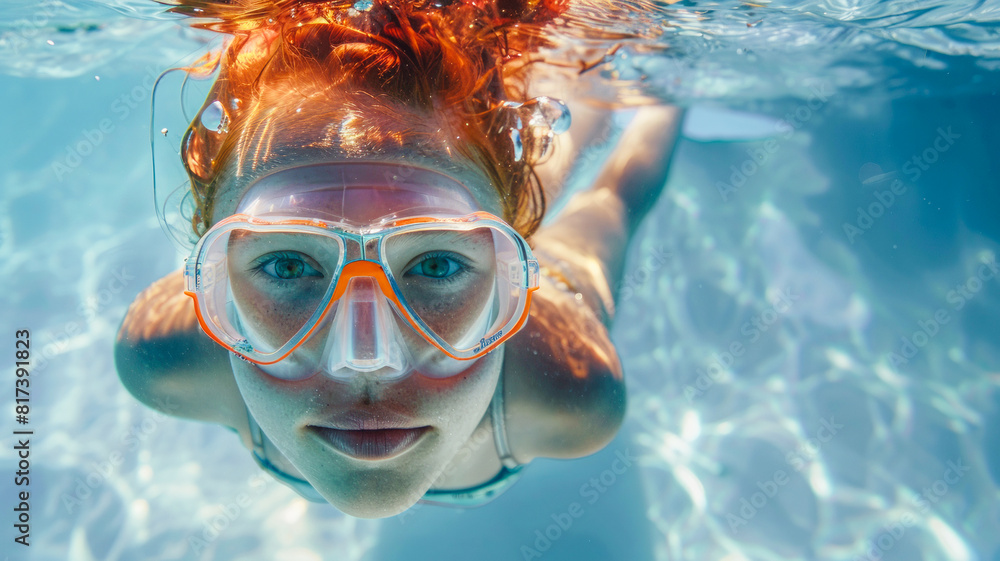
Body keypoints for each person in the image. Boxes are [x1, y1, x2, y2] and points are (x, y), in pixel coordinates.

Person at [115, 0, 680, 519]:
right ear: (210, 280)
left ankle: (659, 102)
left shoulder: (567, 389)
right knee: (517, 179)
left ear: (515, 275)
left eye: (435, 266)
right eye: (288, 265)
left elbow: (616, 200)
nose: (366, 361)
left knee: (584, 194)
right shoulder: (166, 360)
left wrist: (669, 97)